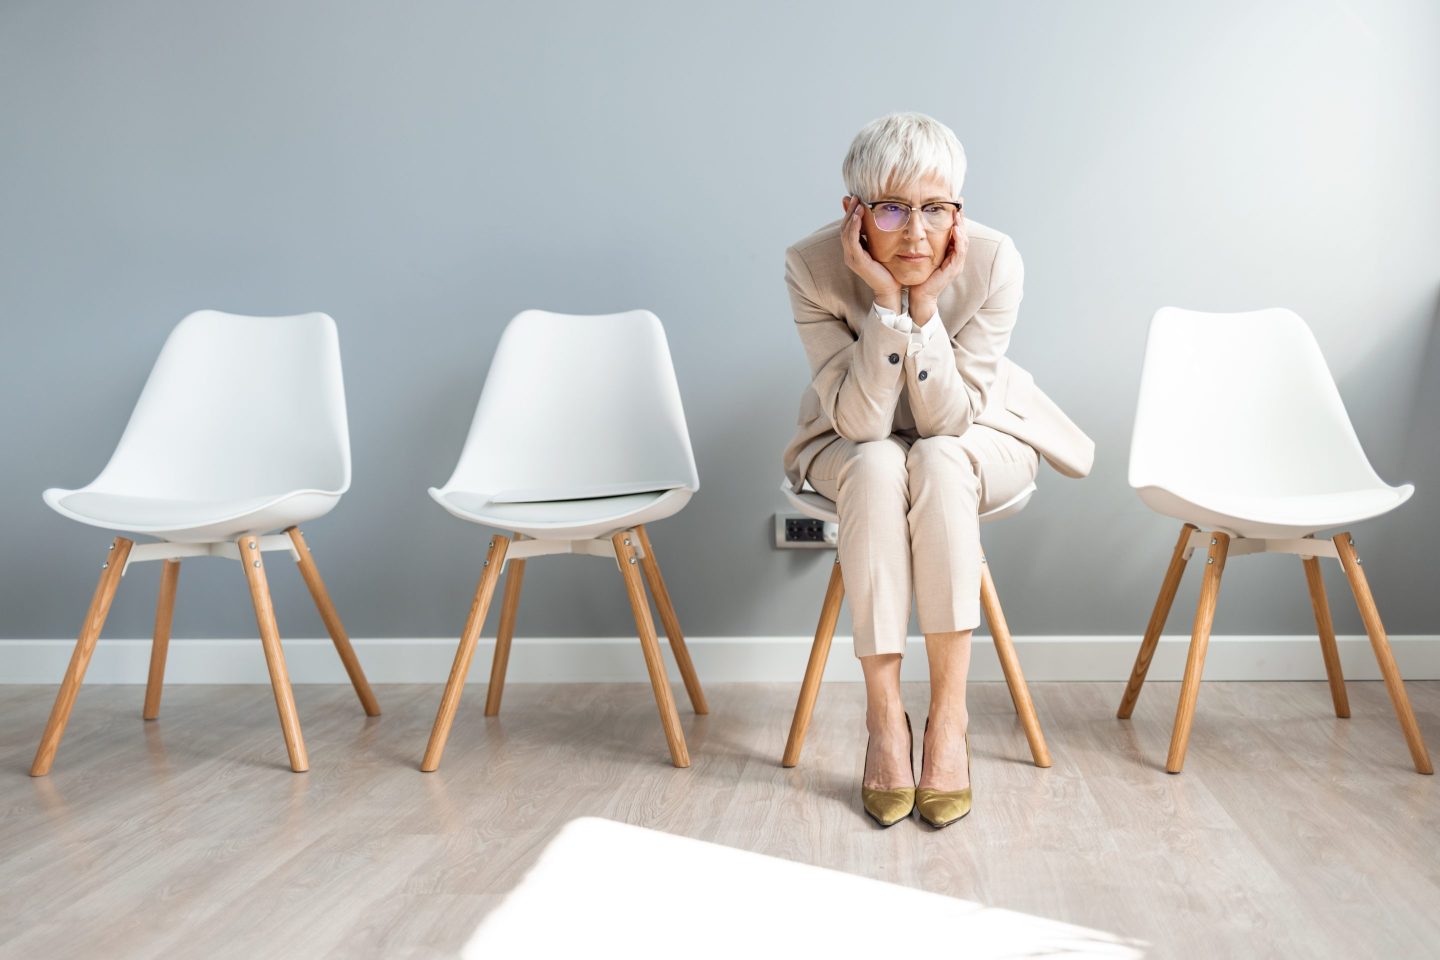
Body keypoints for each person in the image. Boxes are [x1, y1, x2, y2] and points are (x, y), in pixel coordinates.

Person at [781, 112, 1095, 828]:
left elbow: (950, 420)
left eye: (935, 208)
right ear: (854, 213)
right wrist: (888, 306)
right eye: (891, 209)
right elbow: (859, 423)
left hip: (979, 434)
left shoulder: (991, 261)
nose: (916, 233)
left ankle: (948, 721)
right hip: (850, 438)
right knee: (873, 464)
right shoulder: (811, 267)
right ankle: (885, 720)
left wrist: (926, 311)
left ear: (958, 207)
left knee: (938, 458)